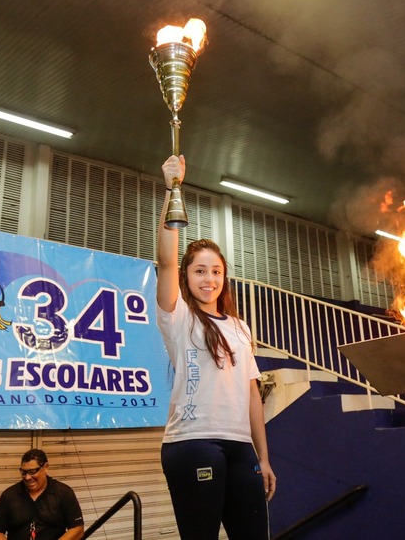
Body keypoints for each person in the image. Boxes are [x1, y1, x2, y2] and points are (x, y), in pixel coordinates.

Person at [156, 154, 276, 539]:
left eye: (216, 271)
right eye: (199, 270)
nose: (209, 279)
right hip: (192, 443)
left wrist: (264, 457)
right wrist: (172, 188)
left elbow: (252, 394)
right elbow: (165, 261)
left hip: (241, 447)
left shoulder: (240, 328)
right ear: (187, 276)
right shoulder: (178, 317)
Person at [0, 448, 84, 540]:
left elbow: (77, 529)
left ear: (45, 467)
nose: (27, 477)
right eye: (23, 472)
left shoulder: (64, 493)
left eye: (32, 472)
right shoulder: (9, 496)